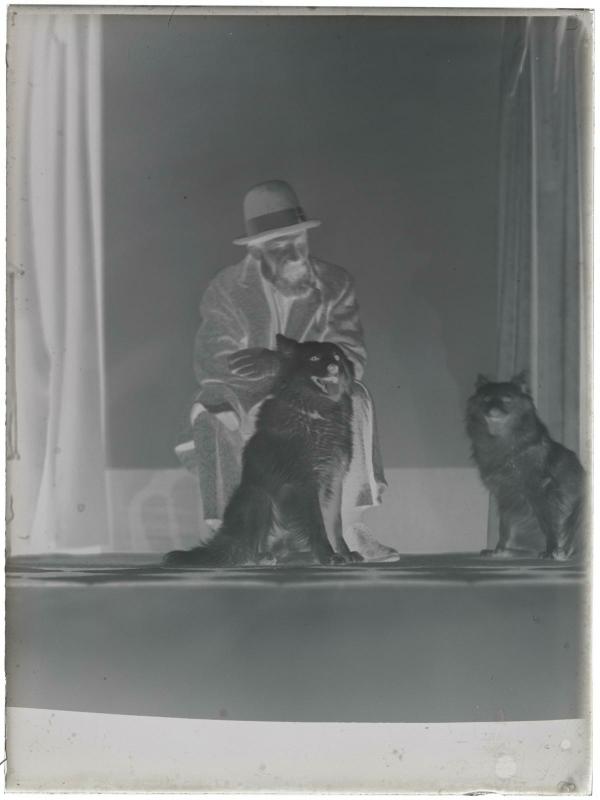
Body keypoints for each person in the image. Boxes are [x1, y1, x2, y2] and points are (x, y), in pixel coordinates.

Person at [176, 179, 398, 561]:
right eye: (281, 246)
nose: (295, 254)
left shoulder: (335, 283)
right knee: (211, 404)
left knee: (357, 395)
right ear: (257, 251)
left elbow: (351, 355)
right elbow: (212, 359)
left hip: (317, 401)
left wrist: (279, 363)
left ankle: (349, 527)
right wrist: (267, 387)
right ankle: (237, 533)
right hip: (252, 400)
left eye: (299, 241)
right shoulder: (226, 289)